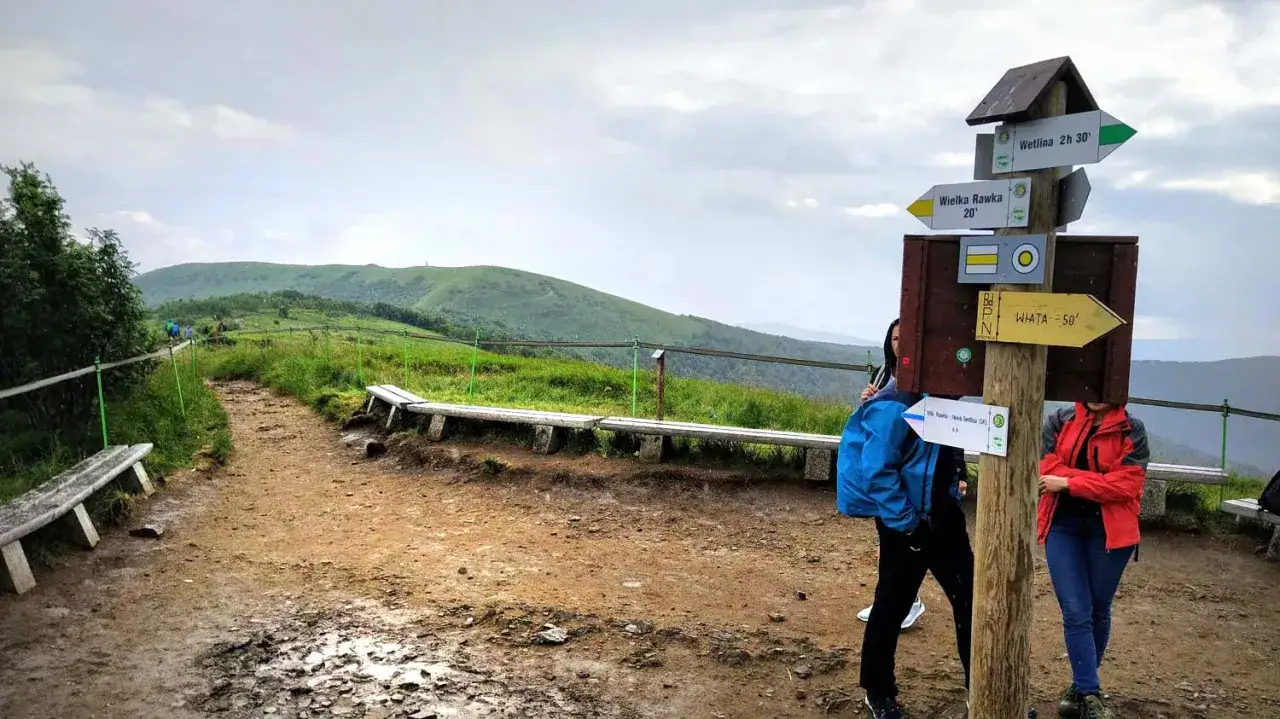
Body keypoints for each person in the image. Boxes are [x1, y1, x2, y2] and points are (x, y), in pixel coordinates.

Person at [836, 372, 973, 719]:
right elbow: (877, 468)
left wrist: (957, 479)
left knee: (973, 605)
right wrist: (908, 524)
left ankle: (983, 687)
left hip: (944, 519)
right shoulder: (896, 398)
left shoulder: (947, 395)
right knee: (891, 607)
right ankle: (878, 692)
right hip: (907, 524)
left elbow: (947, 452)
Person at [1039, 402, 1149, 719]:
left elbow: (1127, 485)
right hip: (1062, 527)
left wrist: (1070, 482)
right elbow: (1047, 470)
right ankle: (1090, 693)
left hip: (1111, 533)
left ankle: (1078, 686)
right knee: (1076, 610)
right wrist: (1099, 482)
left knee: (1098, 609)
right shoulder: (1059, 421)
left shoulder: (1132, 429)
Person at [855, 320, 927, 628]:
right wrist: (867, 401)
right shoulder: (884, 374)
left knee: (908, 540)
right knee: (887, 537)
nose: (899, 342)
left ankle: (904, 601)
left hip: (910, 468)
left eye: (904, 336)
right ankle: (892, 600)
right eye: (894, 337)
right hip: (884, 467)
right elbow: (876, 418)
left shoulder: (923, 377)